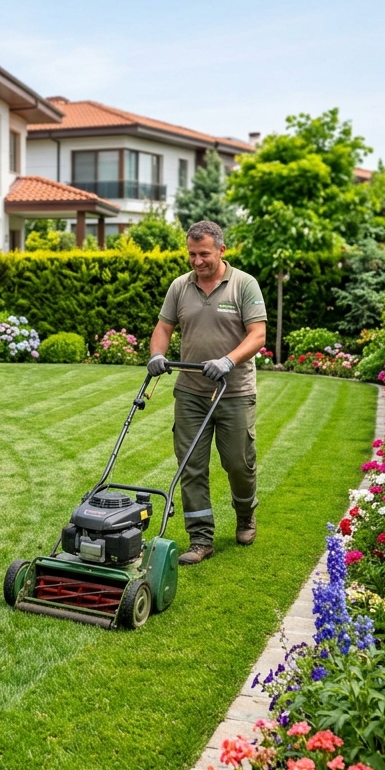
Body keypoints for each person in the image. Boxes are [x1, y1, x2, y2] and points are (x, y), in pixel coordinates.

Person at [147, 220, 267, 564]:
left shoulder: (244, 285)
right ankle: (200, 539)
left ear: (221, 251)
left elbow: (257, 335)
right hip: (191, 392)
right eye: (191, 254)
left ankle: (245, 512)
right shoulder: (179, 287)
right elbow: (164, 327)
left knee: (238, 464)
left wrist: (228, 360)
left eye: (204, 254)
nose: (197, 261)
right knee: (191, 466)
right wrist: (157, 354)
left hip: (234, 391)